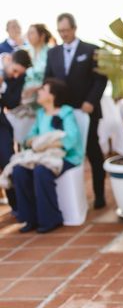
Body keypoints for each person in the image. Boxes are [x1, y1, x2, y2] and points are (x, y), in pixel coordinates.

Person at [44, 13, 107, 209]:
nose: (63, 34)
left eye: (66, 30)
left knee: (93, 152)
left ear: (74, 28)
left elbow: (100, 79)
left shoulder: (91, 49)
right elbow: (48, 80)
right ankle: (68, 200)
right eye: (60, 31)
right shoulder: (52, 53)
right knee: (64, 152)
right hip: (63, 115)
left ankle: (99, 195)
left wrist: (90, 101)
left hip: (87, 111)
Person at [13, 78, 83, 233]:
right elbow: (29, 139)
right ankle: (30, 218)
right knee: (19, 170)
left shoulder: (66, 112)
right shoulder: (40, 114)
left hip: (66, 158)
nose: (39, 91)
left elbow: (70, 139)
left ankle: (51, 219)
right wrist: (37, 143)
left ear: (52, 95)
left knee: (41, 171)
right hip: (43, 157)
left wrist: (43, 144)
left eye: (43, 89)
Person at [0, 50, 32, 212]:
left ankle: (19, 206)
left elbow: (10, 102)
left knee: (8, 163)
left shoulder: (13, 77)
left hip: (2, 127)